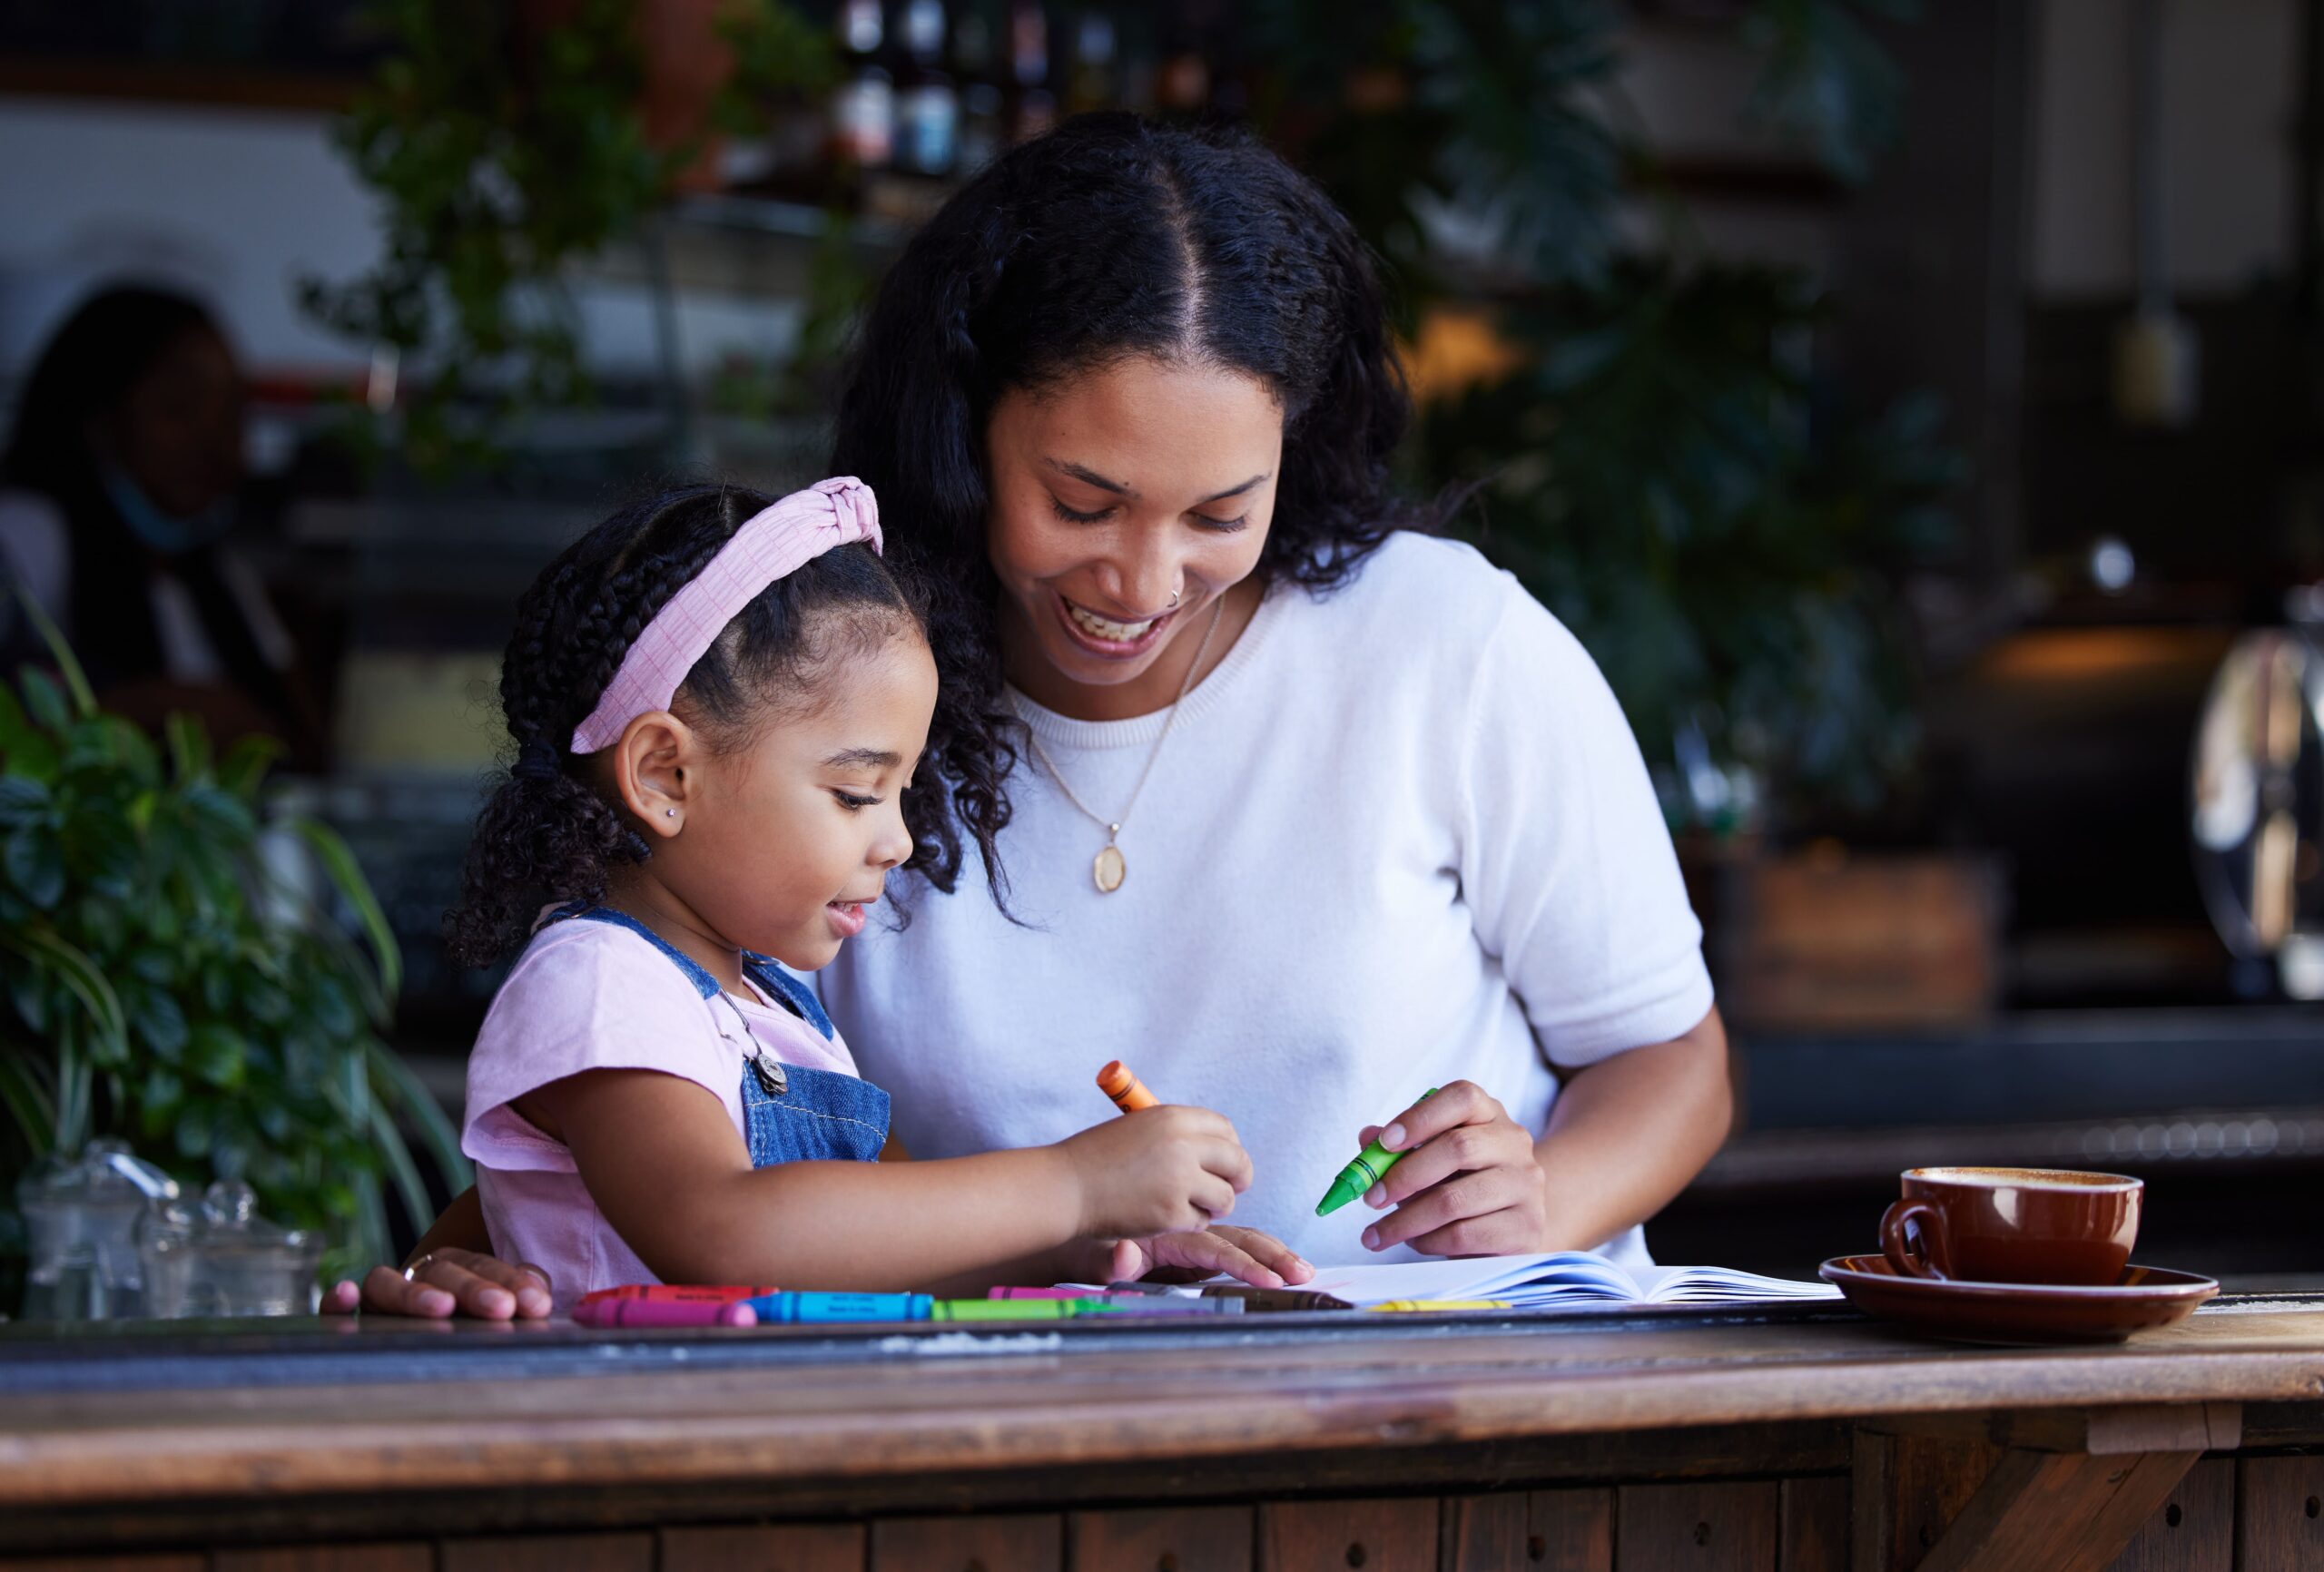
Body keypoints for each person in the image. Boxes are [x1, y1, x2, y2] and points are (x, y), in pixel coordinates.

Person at [339, 113, 1728, 1320]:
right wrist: (476, 1262)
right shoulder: (850, 699)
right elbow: (669, 1125)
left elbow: (1674, 1058)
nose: (1140, 582)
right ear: (964, 431)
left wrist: (1540, 1200)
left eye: (1219, 516)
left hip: (1465, 1414)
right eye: (1080, 502)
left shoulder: (1442, 644)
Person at [430, 475, 1302, 1308]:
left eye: (902, 794)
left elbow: (884, 1250)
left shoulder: (777, 1008)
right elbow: (721, 1232)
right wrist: (1075, 1183)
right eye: (855, 794)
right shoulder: (600, 983)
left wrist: (1102, 1249)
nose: (899, 840)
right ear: (664, 775)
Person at [0, 284, 316, 756]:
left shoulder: (222, 577)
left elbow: (304, 739)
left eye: (232, 416)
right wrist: (149, 708)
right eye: (178, 408)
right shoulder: (30, 532)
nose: (214, 444)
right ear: (100, 418)